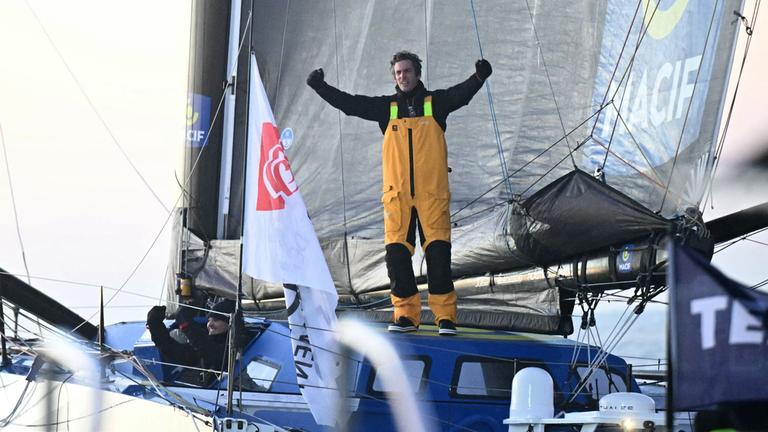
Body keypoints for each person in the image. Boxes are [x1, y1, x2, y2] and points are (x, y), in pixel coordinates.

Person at [307, 51, 492, 336]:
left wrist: (478, 77)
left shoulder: (435, 103)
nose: (402, 76)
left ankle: (445, 317)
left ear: (417, 74)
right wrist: (321, 87)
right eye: (398, 73)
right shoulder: (387, 108)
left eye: (406, 71)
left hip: (432, 195)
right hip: (397, 197)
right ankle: (405, 315)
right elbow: (351, 105)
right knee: (396, 257)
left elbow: (461, 95)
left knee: (438, 255)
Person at [146, 299, 237, 383]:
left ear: (230, 323)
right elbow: (178, 352)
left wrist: (187, 324)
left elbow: (211, 353)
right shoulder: (210, 342)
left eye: (216, 320)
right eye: (209, 320)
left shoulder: (235, 346)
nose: (210, 324)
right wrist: (155, 325)